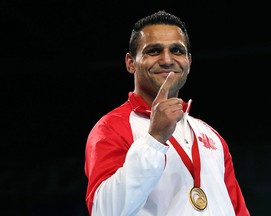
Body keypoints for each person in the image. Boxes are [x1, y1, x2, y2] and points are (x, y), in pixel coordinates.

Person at [84, 10, 250, 216]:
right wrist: (154, 140)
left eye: (176, 51)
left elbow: (237, 210)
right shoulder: (112, 127)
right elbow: (105, 211)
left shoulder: (211, 136)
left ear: (189, 62)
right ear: (131, 62)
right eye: (153, 51)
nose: (167, 60)